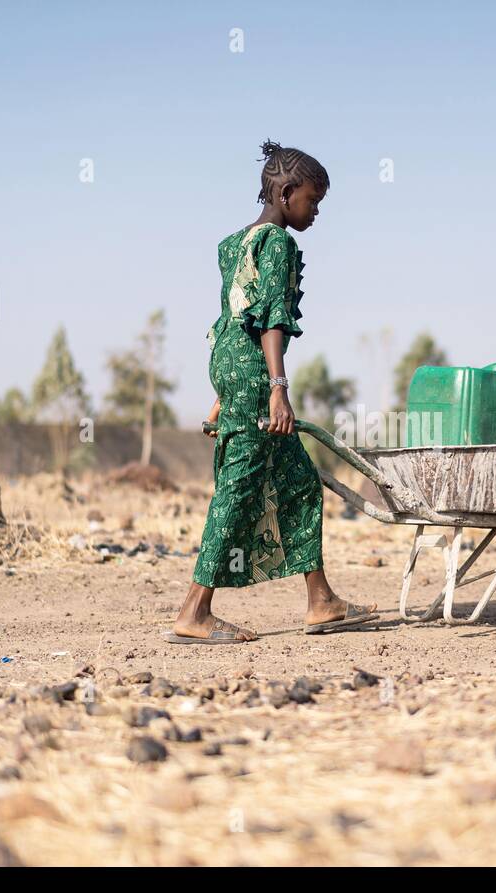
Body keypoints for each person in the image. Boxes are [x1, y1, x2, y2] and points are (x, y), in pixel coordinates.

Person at [169, 141, 378, 644]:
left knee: (301, 483)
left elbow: (229, 318)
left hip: (232, 370)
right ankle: (194, 611)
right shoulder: (279, 246)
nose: (316, 212)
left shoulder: (232, 243)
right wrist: (277, 389)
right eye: (312, 201)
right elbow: (268, 320)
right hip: (258, 379)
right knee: (238, 488)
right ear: (285, 193)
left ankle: (321, 600)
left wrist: (223, 392)